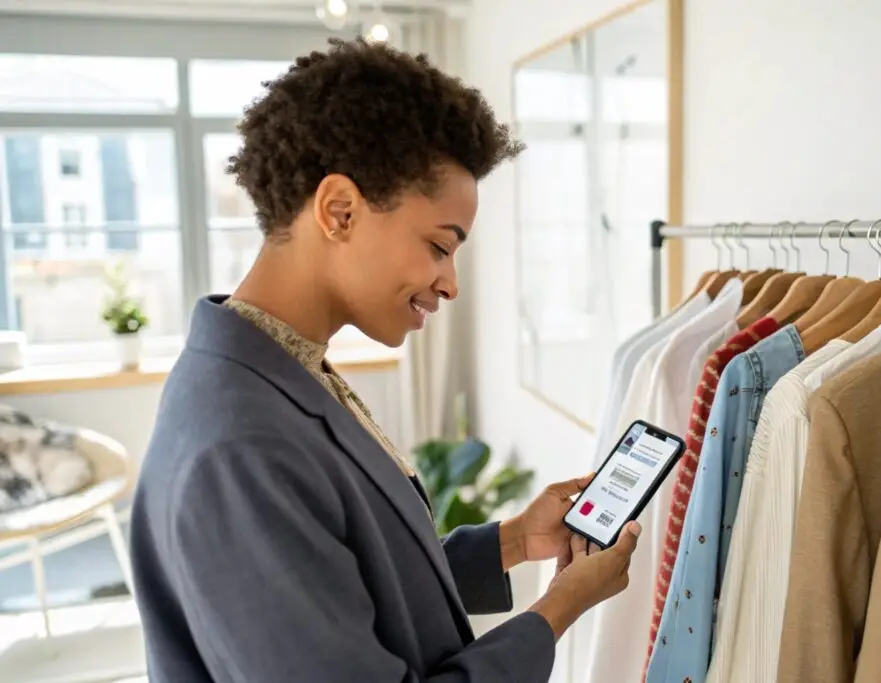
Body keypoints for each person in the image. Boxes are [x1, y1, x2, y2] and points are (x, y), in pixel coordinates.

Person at [130, 39, 640, 683]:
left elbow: (337, 589)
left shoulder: (281, 369)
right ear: (339, 211)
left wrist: (510, 543)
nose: (451, 283)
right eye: (438, 245)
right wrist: (560, 608)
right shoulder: (243, 447)